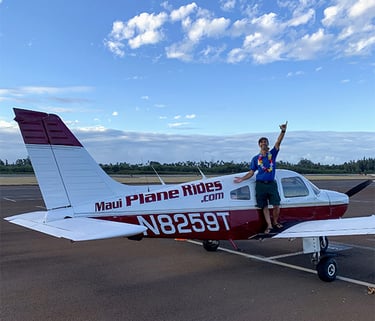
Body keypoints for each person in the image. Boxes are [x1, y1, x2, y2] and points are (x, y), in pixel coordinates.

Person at [234, 122, 288, 234]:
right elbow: (251, 172)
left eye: (265, 142)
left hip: (271, 183)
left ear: (267, 144)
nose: (263, 143)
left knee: (276, 204)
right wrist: (242, 179)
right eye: (262, 142)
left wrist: (283, 131)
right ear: (259, 145)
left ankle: (275, 222)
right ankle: (269, 225)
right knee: (264, 206)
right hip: (260, 184)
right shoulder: (255, 159)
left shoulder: (272, 154)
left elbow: (278, 142)